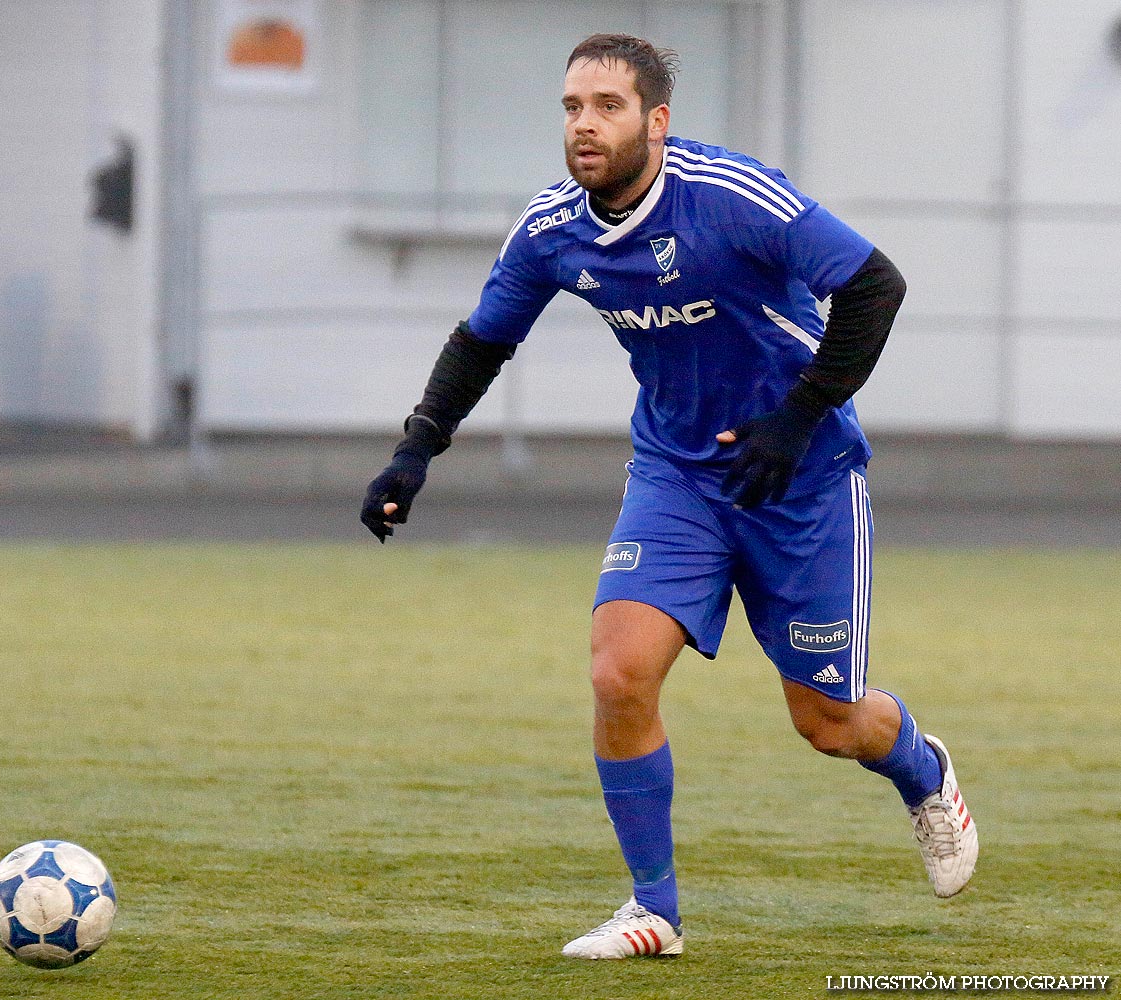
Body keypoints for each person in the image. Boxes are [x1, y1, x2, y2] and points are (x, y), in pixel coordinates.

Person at [360, 33, 977, 959]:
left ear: (655, 120)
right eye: (571, 107)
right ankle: (654, 909)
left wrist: (797, 416)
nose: (583, 125)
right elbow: (484, 338)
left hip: (801, 478)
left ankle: (922, 770)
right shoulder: (550, 229)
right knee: (617, 672)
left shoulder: (730, 196)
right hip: (677, 477)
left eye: (606, 106)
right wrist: (415, 452)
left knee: (829, 724)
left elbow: (874, 285)